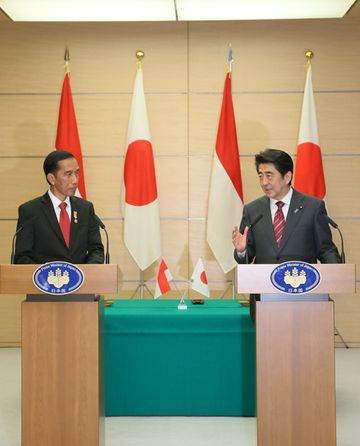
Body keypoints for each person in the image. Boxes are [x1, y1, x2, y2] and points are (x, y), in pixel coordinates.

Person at [232, 148, 341, 321]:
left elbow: (326, 249)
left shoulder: (313, 207)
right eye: (260, 175)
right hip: (264, 300)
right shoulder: (252, 210)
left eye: (269, 175)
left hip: (304, 298)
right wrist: (242, 251)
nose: (264, 182)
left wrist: (336, 273)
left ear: (287, 177)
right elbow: (246, 257)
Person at [14, 150, 104, 264]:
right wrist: (43, 277)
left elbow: (96, 250)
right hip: (44, 280)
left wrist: (88, 273)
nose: (75, 180)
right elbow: (22, 257)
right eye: (68, 174)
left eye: (77, 173)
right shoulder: (30, 211)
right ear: (52, 179)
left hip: (81, 280)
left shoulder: (85, 208)